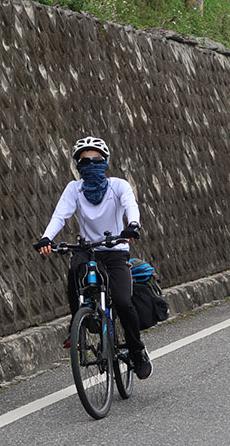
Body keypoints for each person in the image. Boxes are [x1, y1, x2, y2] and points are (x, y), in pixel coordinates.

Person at [35, 137, 152, 380]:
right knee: (73, 275)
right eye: (84, 160)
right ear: (78, 165)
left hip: (116, 250)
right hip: (89, 250)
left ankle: (137, 349)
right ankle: (77, 325)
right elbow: (60, 216)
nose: (90, 164)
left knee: (122, 301)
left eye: (96, 160)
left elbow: (131, 206)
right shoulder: (74, 189)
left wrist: (132, 226)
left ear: (105, 162)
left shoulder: (118, 186)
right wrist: (47, 238)